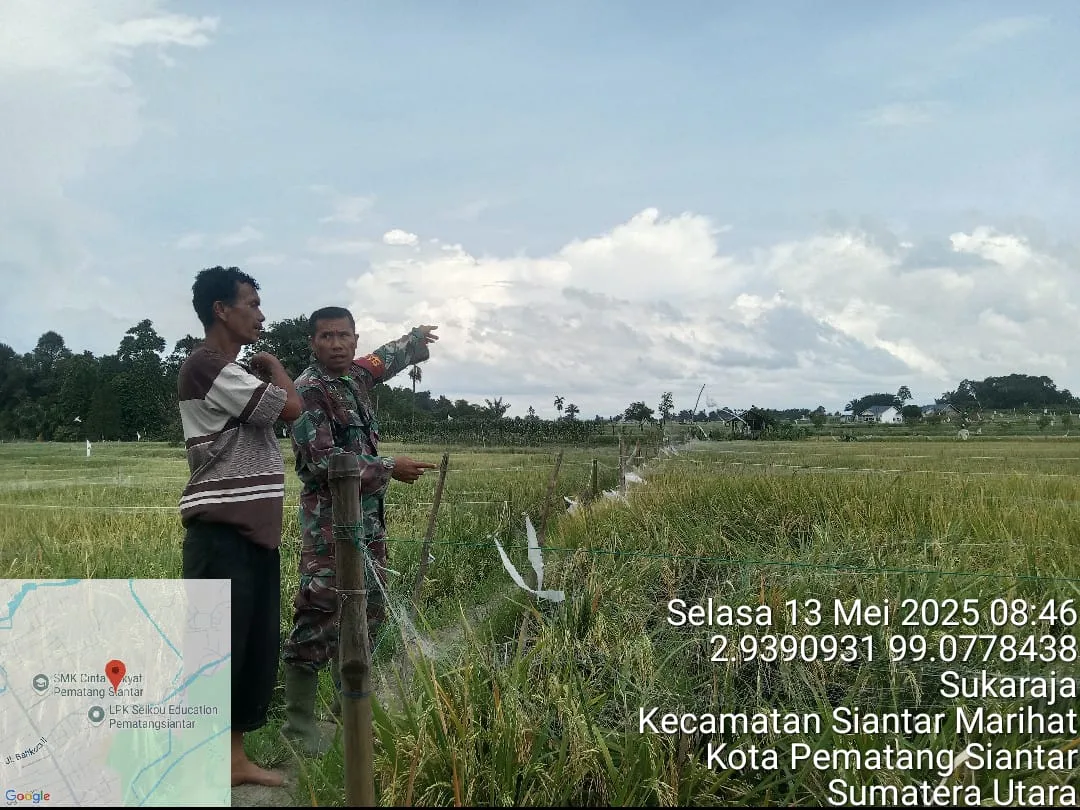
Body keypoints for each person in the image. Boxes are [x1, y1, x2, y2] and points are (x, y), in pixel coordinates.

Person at [280, 306, 437, 756]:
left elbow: (383, 359)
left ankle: (347, 712)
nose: (337, 344)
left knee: (367, 613)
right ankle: (298, 727)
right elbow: (321, 462)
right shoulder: (308, 391)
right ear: (312, 343)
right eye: (326, 336)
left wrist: (413, 339)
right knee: (319, 615)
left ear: (354, 338)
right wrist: (389, 466)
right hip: (329, 529)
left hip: (367, 526)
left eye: (344, 336)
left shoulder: (356, 378)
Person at [177, 266, 302, 787]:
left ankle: (232, 762)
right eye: (251, 304)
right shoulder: (207, 365)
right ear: (221, 310)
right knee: (216, 652)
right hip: (222, 534)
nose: (260, 315)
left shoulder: (228, 371)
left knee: (249, 648)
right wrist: (274, 366)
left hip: (252, 534)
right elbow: (291, 407)